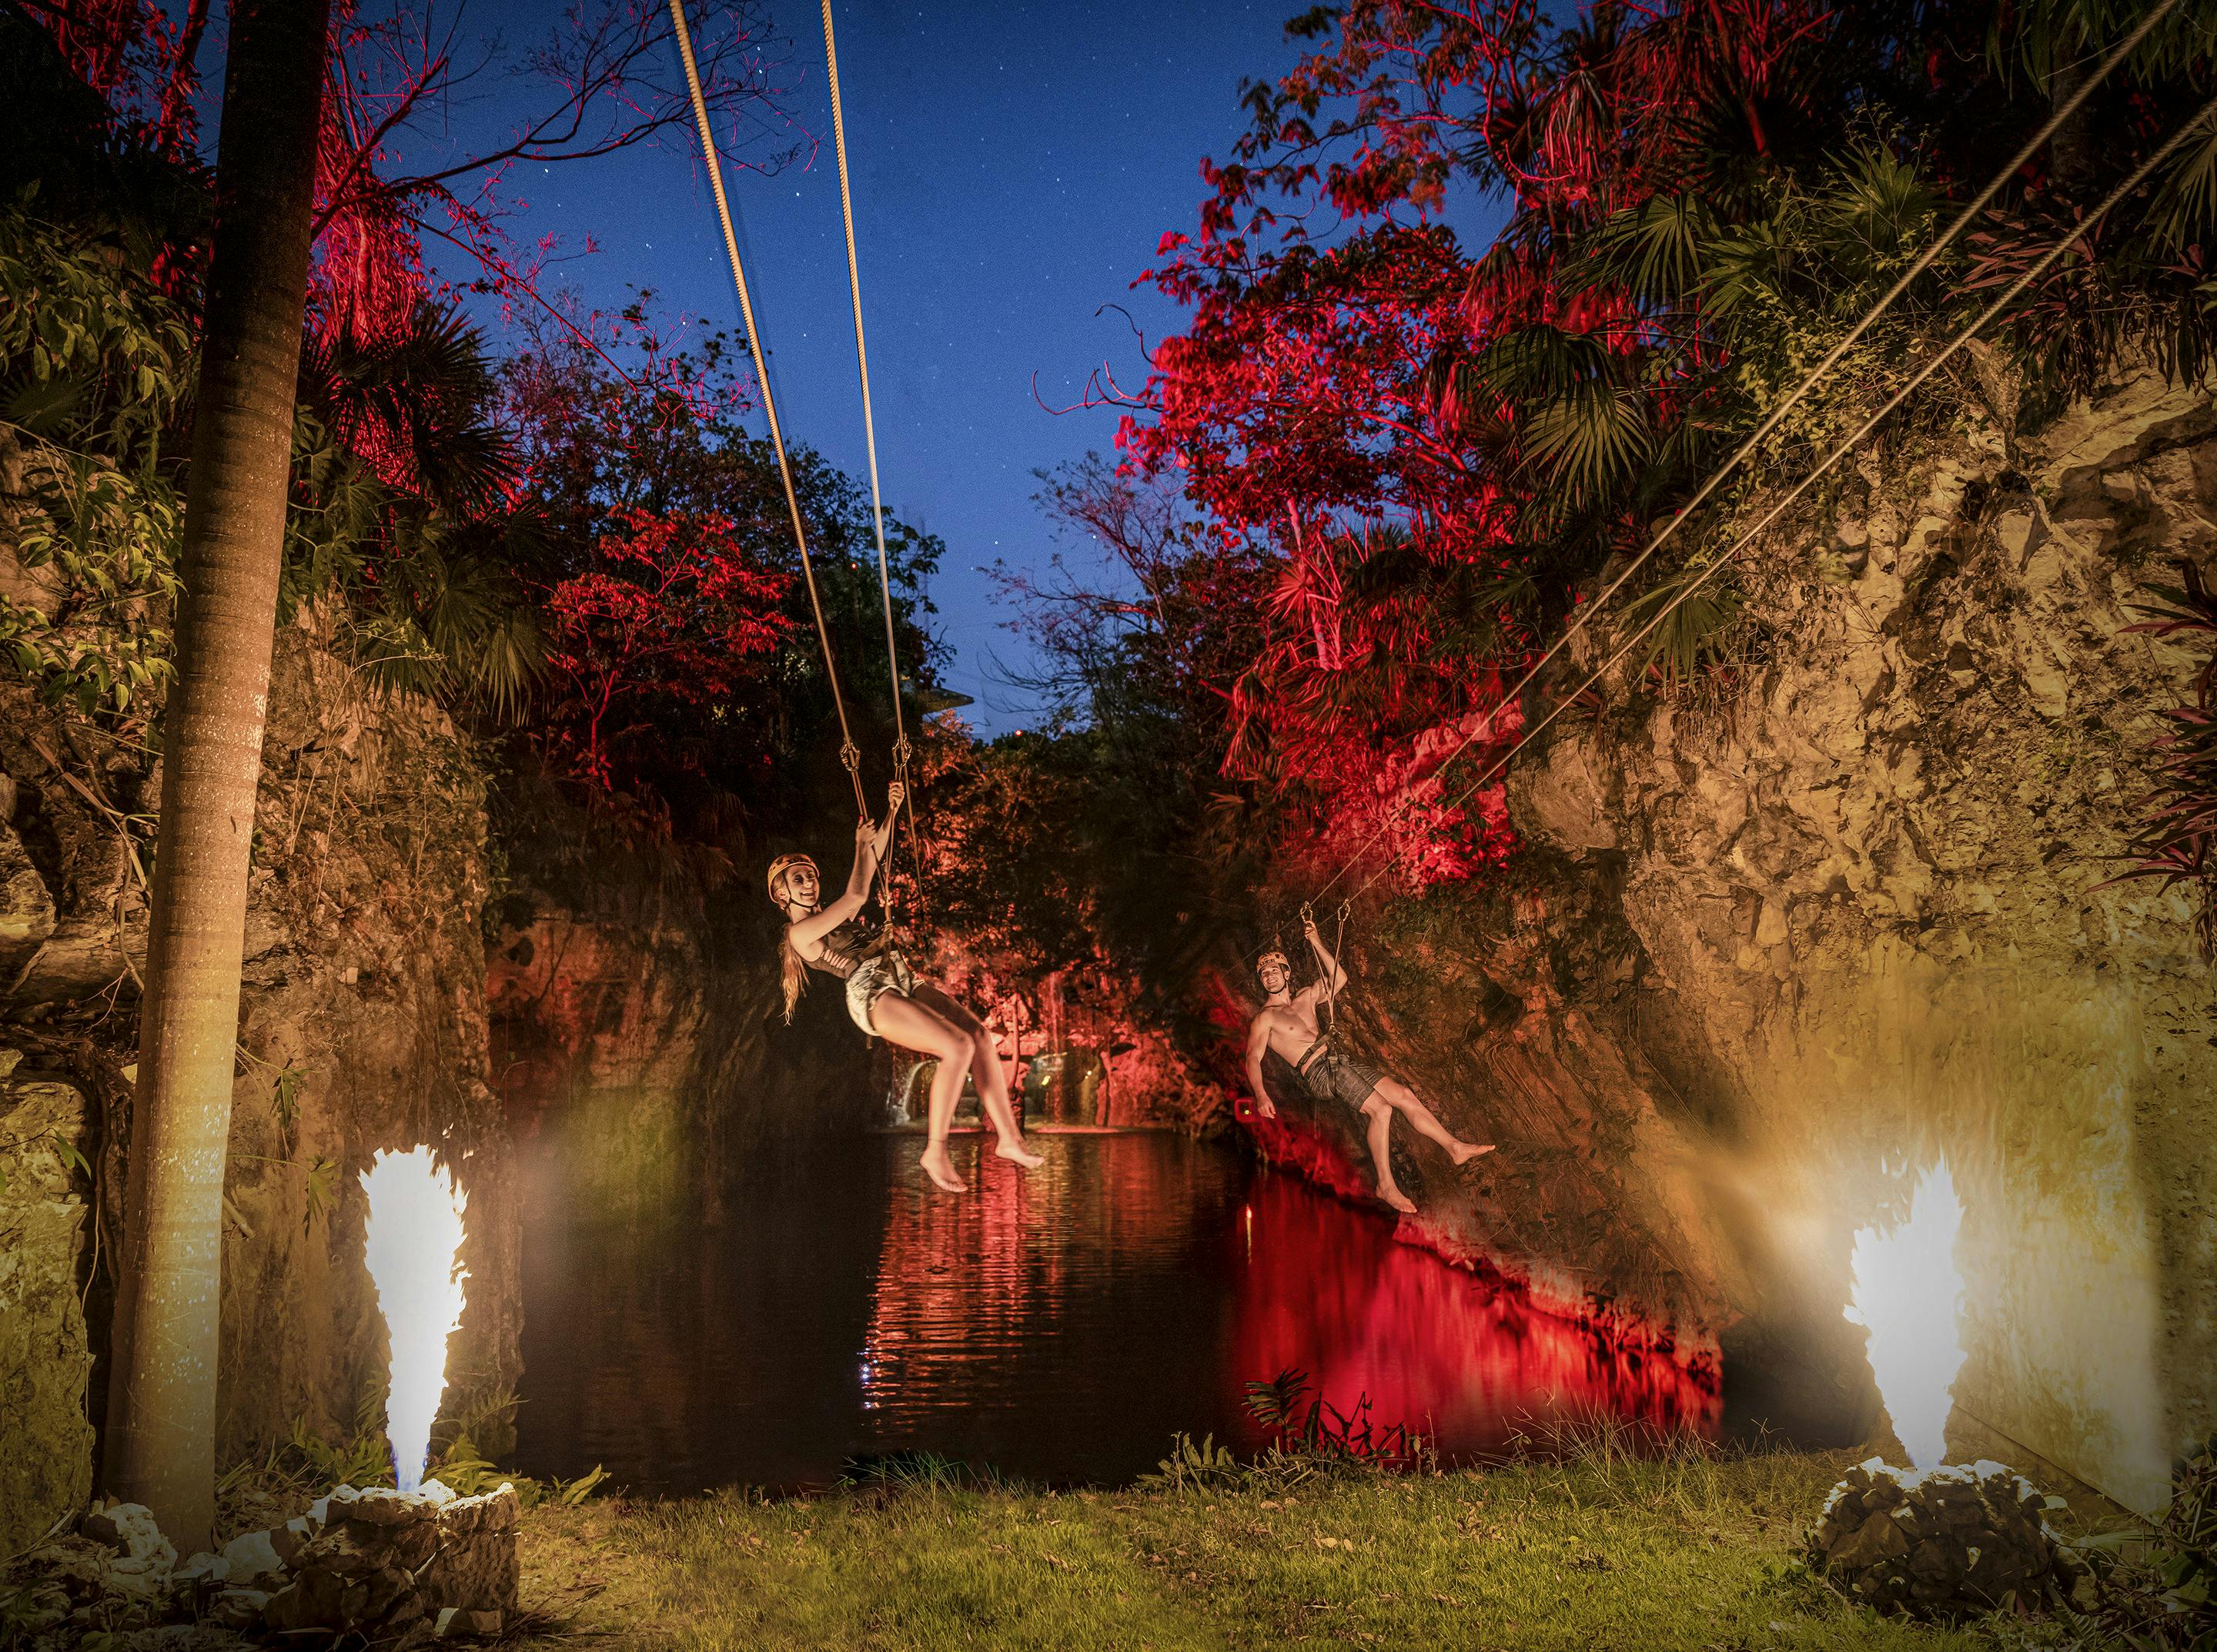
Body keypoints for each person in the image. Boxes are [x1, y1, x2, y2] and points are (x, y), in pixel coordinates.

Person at [771, 781, 1044, 1193]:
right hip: (871, 994)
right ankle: (935, 1150)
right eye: (798, 879)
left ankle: (1009, 1138)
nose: (809, 883)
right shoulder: (801, 934)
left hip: (899, 975)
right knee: (957, 1047)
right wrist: (860, 845)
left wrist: (891, 812)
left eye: (810, 876)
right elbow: (857, 894)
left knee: (978, 1035)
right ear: (781, 893)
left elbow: (872, 862)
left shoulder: (831, 915)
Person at [1243, 914, 1492, 1214]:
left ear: (1286, 973)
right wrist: (1261, 1094)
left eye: (1274, 970)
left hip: (1338, 1060)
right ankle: (1385, 1185)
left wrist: (1316, 942)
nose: (1269, 976)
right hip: (1320, 1071)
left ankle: (1455, 1147)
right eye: (1264, 974)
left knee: (1403, 1095)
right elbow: (1252, 1057)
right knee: (1381, 1110)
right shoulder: (1265, 1018)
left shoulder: (1306, 996)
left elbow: (1340, 979)